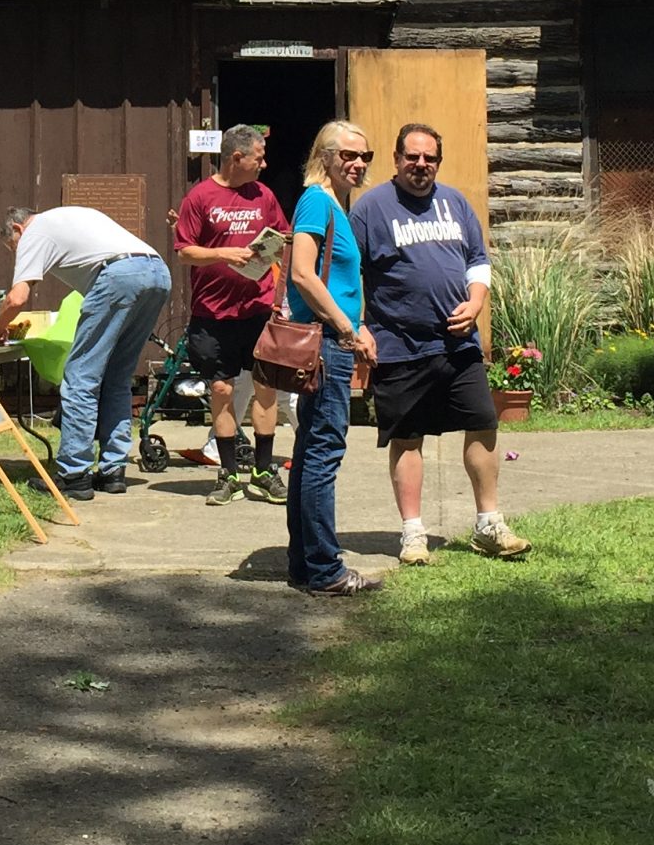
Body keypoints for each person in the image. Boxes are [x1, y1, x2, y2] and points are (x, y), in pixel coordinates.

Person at [352, 123, 529, 563]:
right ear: (396, 160)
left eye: (429, 158)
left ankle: (489, 524)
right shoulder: (371, 210)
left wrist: (476, 302)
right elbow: (348, 273)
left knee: (483, 423)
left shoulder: (454, 203)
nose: (421, 165)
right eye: (412, 157)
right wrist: (359, 326)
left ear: (438, 162)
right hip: (398, 344)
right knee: (408, 437)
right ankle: (413, 534)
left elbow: (478, 260)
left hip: (458, 344)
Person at [0, 203, 169, 500]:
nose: (16, 254)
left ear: (18, 229)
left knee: (80, 378)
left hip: (118, 276)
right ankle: (113, 471)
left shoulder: (34, 232)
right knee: (117, 377)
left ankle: (74, 474)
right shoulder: (67, 216)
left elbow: (17, 298)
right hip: (157, 272)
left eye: (12, 247)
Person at [282, 121, 381, 596]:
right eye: (349, 155)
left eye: (366, 156)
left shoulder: (334, 205)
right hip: (325, 345)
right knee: (323, 452)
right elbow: (302, 273)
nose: (358, 164)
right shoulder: (317, 201)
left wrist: (357, 325)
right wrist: (346, 327)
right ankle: (324, 569)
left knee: (310, 452)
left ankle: (305, 564)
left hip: (333, 340)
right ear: (325, 155)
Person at [172, 124, 288, 506]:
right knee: (220, 389)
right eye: (259, 157)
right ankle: (228, 474)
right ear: (236, 158)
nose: (264, 164)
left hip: (257, 308)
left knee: (265, 386)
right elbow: (185, 250)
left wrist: (276, 281)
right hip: (213, 313)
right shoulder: (200, 196)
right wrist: (225, 254)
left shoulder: (264, 195)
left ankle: (264, 470)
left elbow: (282, 240)